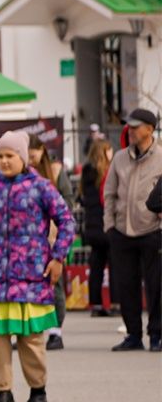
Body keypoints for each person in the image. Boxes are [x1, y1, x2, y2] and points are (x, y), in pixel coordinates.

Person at [0, 130, 75, 402]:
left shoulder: (41, 187)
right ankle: (3, 391)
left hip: (31, 275)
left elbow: (67, 222)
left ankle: (38, 391)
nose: (5, 161)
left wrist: (58, 257)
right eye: (0, 156)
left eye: (10, 156)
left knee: (30, 338)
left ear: (22, 157)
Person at [104, 108, 160, 352]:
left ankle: (157, 334)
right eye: (130, 126)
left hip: (153, 231)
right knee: (126, 286)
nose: (131, 130)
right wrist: (109, 226)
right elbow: (109, 194)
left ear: (150, 129)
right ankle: (133, 334)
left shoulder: (161, 156)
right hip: (121, 231)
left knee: (156, 286)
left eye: (136, 126)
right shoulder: (119, 158)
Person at [27, 135, 74, 349]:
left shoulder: (55, 171)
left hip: (53, 235)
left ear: (41, 150)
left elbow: (68, 204)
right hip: (29, 240)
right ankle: (27, 329)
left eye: (33, 152)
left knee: (54, 284)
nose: (30, 157)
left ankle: (56, 331)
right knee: (27, 285)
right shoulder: (20, 175)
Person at [80, 137, 115, 316]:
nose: (112, 153)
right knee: (115, 264)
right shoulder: (106, 173)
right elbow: (106, 199)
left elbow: (83, 199)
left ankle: (96, 304)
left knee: (96, 266)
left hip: (91, 226)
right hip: (105, 224)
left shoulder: (86, 173)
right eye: (109, 150)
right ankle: (116, 302)